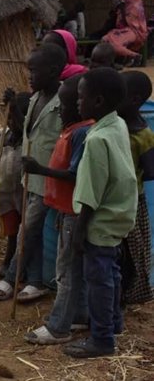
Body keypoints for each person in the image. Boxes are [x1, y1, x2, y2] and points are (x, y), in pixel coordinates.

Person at [63, 68, 137, 359]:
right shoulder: (115, 124)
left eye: (81, 98)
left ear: (97, 101)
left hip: (100, 221)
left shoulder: (95, 141)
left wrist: (80, 231)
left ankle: (102, 338)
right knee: (112, 273)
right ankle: (113, 323)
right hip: (119, 215)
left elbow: (91, 195)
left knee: (99, 278)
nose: (77, 103)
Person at [0, 44, 65, 302]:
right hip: (30, 177)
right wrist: (14, 106)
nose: (30, 75)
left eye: (34, 70)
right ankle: (35, 280)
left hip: (48, 177)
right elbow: (25, 131)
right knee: (32, 231)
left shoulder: (64, 100)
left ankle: (11, 278)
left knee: (28, 230)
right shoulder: (34, 98)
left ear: (53, 70)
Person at [22, 75, 93, 344]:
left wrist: (41, 170)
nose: (60, 110)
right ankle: (79, 316)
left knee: (66, 271)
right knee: (73, 268)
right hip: (67, 210)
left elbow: (76, 175)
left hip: (74, 213)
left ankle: (59, 326)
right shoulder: (74, 129)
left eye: (65, 105)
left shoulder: (82, 134)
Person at [117, 71, 154, 305]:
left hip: (131, 201)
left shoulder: (143, 135)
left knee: (129, 252)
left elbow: (150, 171)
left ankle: (124, 295)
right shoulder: (115, 125)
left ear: (133, 99)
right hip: (114, 198)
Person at [0, 92, 31, 276]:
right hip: (3, 192)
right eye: (9, 118)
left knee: (26, 230)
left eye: (17, 119)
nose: (12, 123)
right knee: (11, 231)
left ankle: (21, 265)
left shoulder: (30, 141)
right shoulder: (1, 136)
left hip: (24, 193)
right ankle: (9, 262)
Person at [103, 0, 148, 67]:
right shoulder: (137, 6)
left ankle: (134, 56)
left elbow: (122, 24)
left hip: (134, 32)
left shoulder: (131, 8)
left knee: (112, 44)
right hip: (134, 31)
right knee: (107, 39)